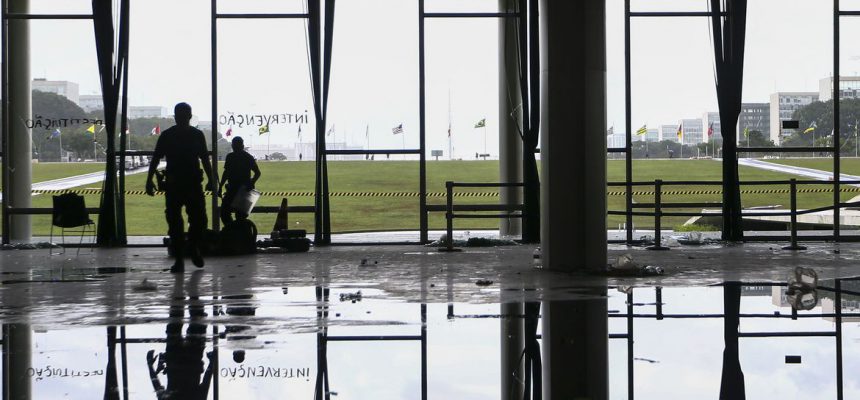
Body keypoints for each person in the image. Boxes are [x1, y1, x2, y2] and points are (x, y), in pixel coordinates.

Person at [145, 102, 216, 273]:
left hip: (175, 185)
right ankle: (192, 248)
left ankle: (181, 259)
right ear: (190, 116)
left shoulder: (168, 135)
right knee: (197, 221)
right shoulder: (196, 135)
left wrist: (149, 180)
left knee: (176, 223)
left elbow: (155, 159)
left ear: (175, 117)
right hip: (190, 184)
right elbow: (205, 159)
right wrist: (212, 179)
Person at [218, 136, 261, 226]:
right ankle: (238, 232)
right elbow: (257, 173)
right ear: (242, 145)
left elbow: (226, 173)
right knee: (240, 217)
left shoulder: (230, 157)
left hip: (233, 189)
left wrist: (221, 186)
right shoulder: (248, 157)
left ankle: (232, 230)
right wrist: (251, 183)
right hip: (244, 190)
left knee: (225, 213)